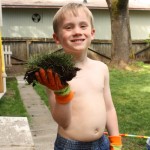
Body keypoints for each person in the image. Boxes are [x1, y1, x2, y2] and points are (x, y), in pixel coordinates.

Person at [35, 2, 122, 150]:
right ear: (56, 38)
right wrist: (62, 94)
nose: (77, 31)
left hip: (102, 143)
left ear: (92, 33)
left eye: (83, 26)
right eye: (69, 27)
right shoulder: (55, 74)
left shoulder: (101, 68)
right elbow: (63, 121)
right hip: (71, 145)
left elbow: (109, 108)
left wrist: (115, 138)